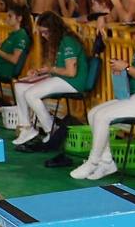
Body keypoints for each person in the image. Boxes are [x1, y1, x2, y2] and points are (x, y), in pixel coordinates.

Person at [70, 9, 135, 180]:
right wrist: (123, 72)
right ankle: (106, 162)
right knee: (93, 113)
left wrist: (126, 67)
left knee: (103, 116)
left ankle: (92, 162)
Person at [12, 11, 87, 147]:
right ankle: (26, 128)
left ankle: (51, 129)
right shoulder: (59, 40)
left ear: (55, 29)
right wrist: (40, 73)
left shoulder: (68, 41)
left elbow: (71, 72)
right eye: (42, 33)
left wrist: (50, 70)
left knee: (31, 94)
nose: (44, 36)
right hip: (60, 78)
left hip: (73, 82)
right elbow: (56, 68)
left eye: (46, 32)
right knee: (19, 86)